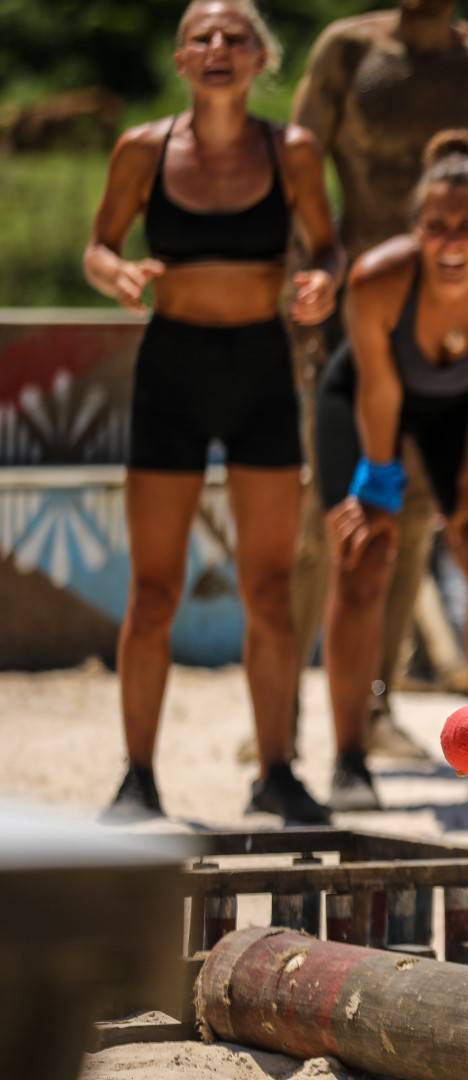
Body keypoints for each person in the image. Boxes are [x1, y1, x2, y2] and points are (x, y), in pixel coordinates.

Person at [283, 0, 468, 797]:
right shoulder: (346, 51)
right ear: (417, 223)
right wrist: (376, 486)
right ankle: (345, 753)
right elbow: (301, 172)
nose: (452, 240)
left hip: (465, 395)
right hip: (368, 378)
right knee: (360, 551)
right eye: (437, 225)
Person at [86, 0, 339, 825]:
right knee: (153, 591)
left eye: (236, 36)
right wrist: (115, 275)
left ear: (262, 57)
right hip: (172, 368)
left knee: (269, 588)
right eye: (203, 36)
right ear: (180, 58)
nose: (219, 47)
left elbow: (326, 247)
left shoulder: (291, 151)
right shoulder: (142, 150)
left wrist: (321, 281)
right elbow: (99, 246)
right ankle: (137, 778)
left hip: (262, 368)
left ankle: (275, 771)